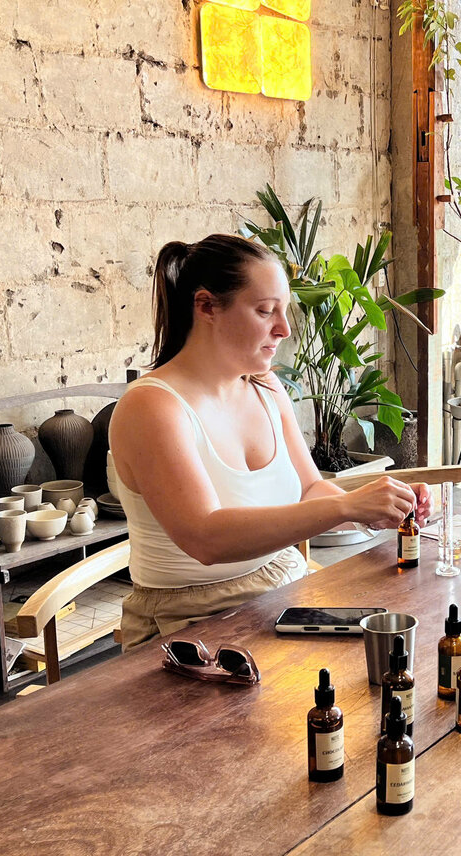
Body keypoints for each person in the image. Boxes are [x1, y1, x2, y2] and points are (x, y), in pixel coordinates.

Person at [109, 234, 432, 649]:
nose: (284, 329)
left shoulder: (265, 386)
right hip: (189, 619)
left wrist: (377, 510)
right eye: (266, 312)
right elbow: (205, 538)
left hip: (283, 585)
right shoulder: (152, 407)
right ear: (206, 306)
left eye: (283, 311)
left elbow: (309, 488)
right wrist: (345, 504)